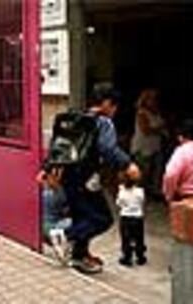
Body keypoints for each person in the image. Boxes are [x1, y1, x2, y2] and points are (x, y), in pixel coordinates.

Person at [55, 84, 140, 274]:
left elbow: (60, 144)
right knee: (103, 219)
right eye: (114, 106)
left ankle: (79, 256)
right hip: (85, 179)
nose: (115, 111)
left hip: (69, 178)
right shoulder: (103, 122)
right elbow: (107, 148)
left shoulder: (77, 115)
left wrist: (48, 169)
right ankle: (64, 235)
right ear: (107, 103)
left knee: (82, 216)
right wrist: (128, 164)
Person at [131, 89, 167, 200]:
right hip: (143, 147)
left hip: (155, 146)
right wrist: (160, 129)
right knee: (143, 173)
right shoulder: (141, 113)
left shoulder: (157, 112)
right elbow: (145, 130)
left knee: (156, 171)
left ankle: (153, 194)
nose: (154, 101)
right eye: (151, 99)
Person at [162, 119, 193, 203]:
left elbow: (171, 175)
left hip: (187, 198)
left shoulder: (183, 151)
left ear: (181, 137)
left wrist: (169, 196)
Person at [116, 175, 147, 267]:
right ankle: (140, 257)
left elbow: (118, 203)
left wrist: (120, 191)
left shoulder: (122, 192)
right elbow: (142, 201)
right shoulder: (140, 191)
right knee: (139, 237)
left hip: (126, 216)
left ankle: (127, 257)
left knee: (126, 238)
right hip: (138, 216)